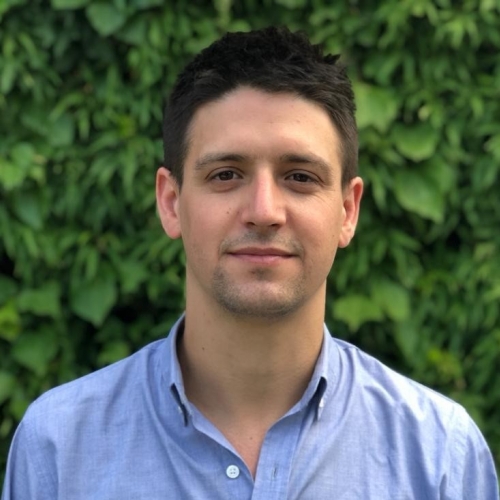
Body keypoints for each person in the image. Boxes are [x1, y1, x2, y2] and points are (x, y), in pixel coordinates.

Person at [2, 26, 498, 499]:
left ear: (348, 211)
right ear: (171, 202)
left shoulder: (440, 458)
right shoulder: (58, 449)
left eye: (300, 177)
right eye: (226, 174)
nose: (264, 211)